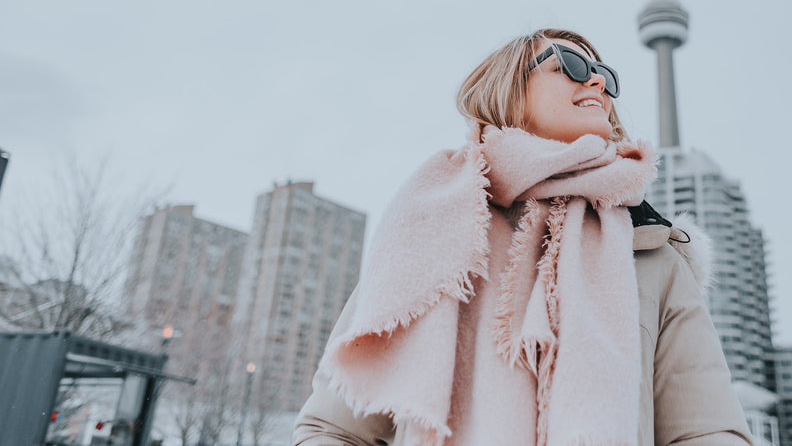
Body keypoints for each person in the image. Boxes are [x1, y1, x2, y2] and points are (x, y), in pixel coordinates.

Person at [293, 28, 752, 446]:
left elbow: (706, 431)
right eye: (570, 67)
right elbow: (335, 430)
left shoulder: (651, 253)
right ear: (508, 90)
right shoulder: (428, 230)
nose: (596, 84)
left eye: (606, 78)